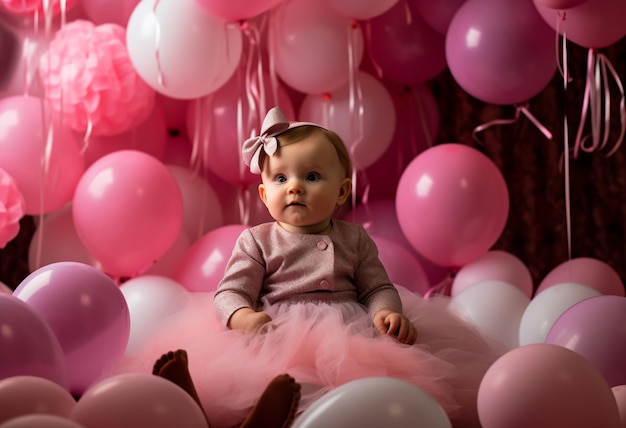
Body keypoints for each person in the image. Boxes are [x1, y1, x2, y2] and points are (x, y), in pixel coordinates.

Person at [115, 107, 504, 428]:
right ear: (265, 194)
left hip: (350, 332)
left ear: (341, 191)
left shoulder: (354, 240)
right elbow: (230, 291)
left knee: (335, 388)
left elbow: (375, 287)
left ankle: (276, 418)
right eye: (282, 178)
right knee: (250, 383)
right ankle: (204, 410)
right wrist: (241, 317)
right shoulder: (257, 241)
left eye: (312, 176)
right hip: (274, 332)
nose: (295, 187)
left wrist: (387, 311)